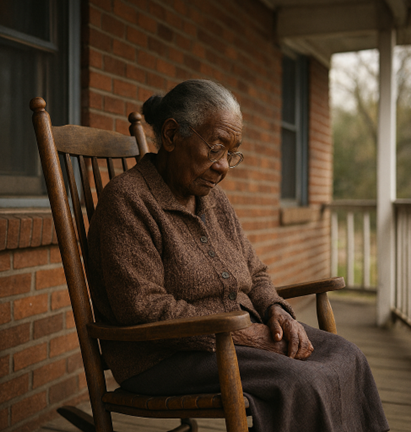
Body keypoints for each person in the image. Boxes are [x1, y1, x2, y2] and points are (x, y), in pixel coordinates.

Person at [88, 79, 389, 432]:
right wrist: (241, 336)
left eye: (231, 154)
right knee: (300, 381)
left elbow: (255, 273)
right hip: (162, 356)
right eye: (215, 149)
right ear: (171, 135)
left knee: (348, 355)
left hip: (234, 335)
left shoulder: (213, 200)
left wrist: (276, 310)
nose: (224, 167)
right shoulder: (127, 201)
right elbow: (143, 307)